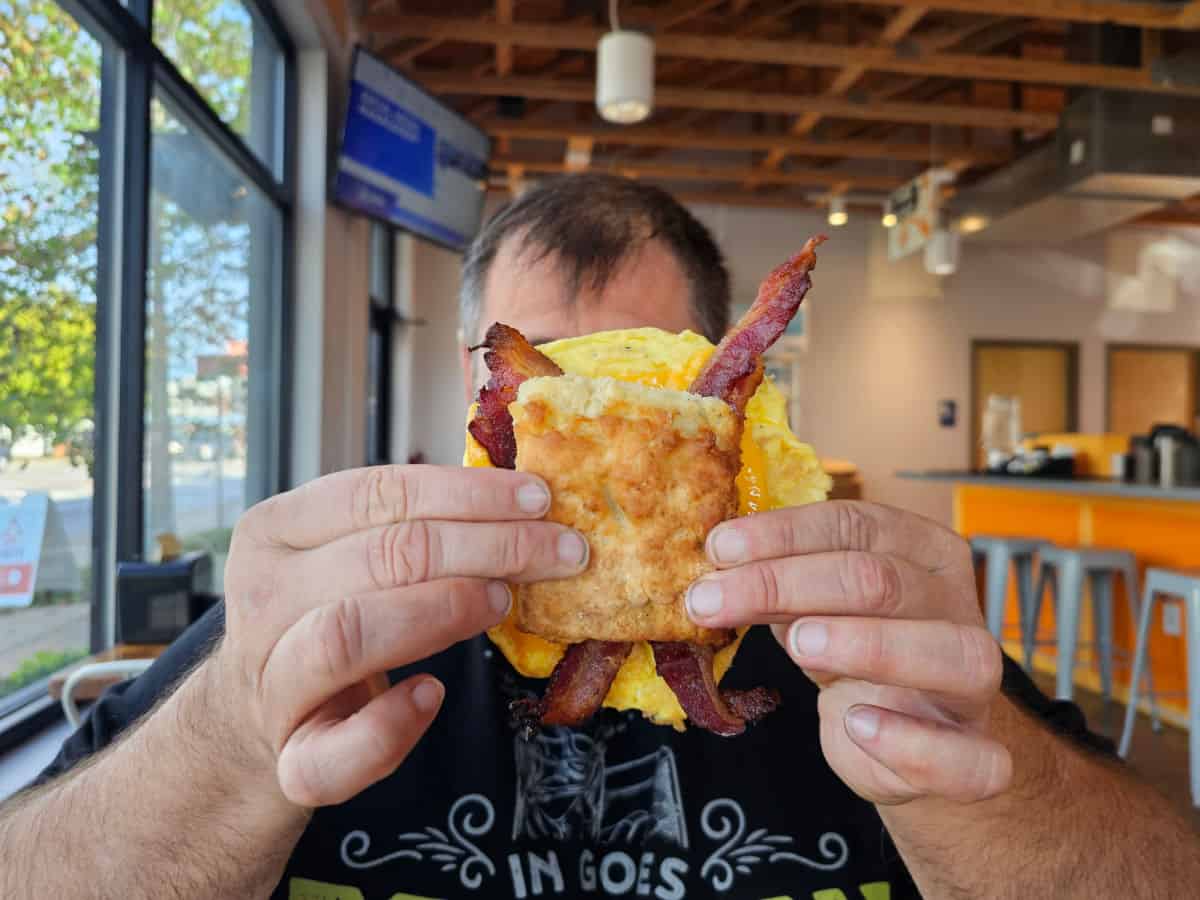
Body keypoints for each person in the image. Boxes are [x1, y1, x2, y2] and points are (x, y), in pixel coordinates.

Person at [2, 175, 1198, 899]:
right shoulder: (319, 632)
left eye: (650, 391)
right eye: (539, 390)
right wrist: (219, 745)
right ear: (473, 405)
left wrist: (994, 797)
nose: (596, 466)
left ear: (733, 400)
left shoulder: (869, 649)